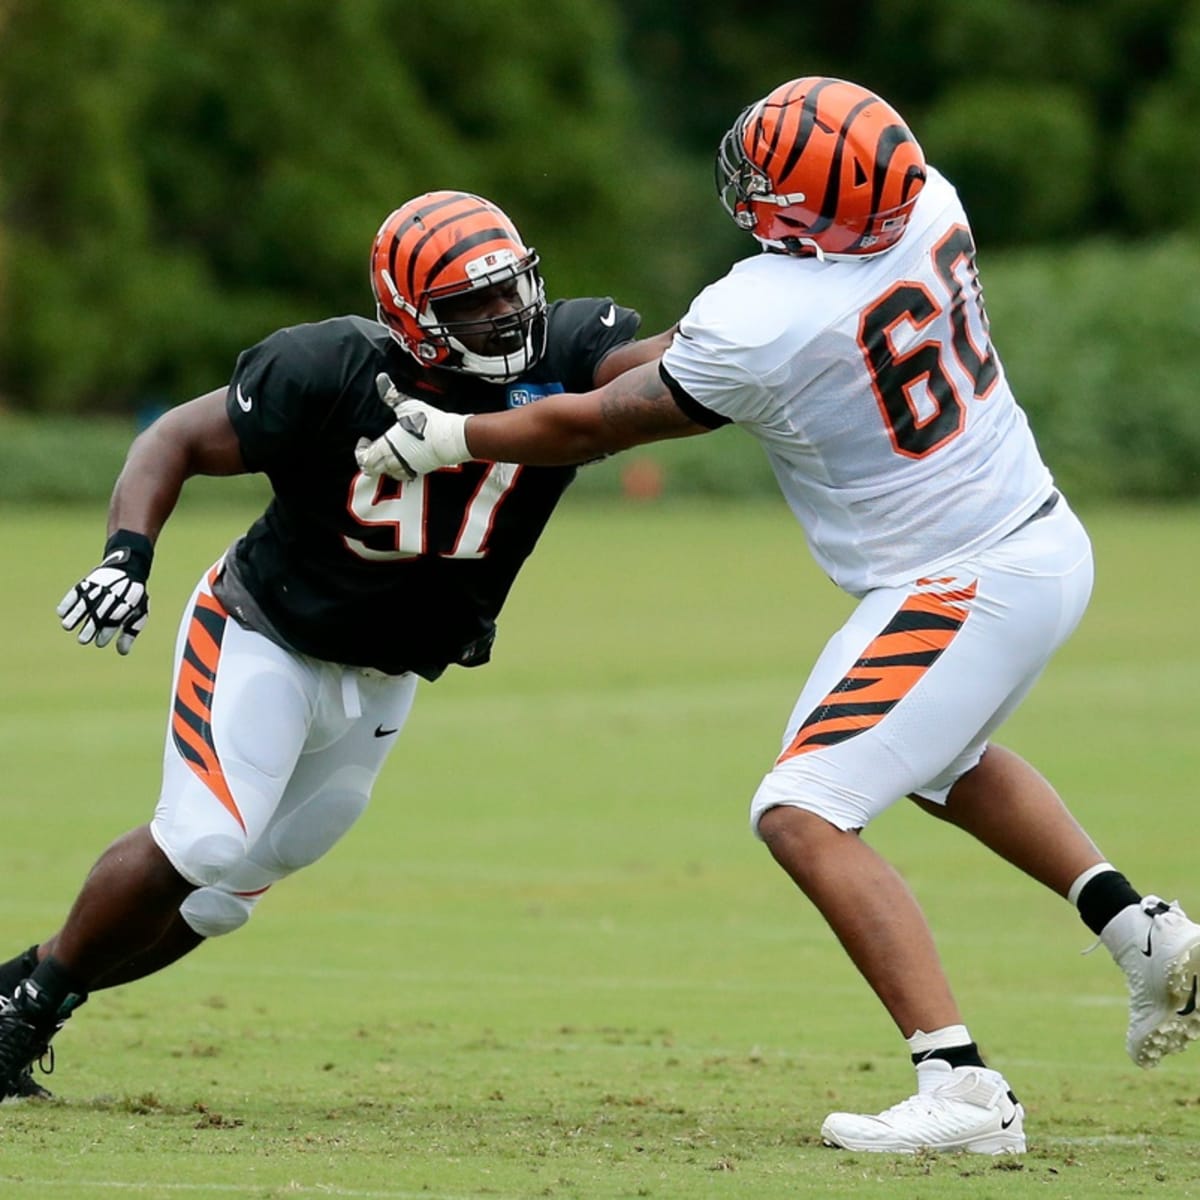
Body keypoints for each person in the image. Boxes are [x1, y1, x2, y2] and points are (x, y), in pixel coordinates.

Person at [350, 78, 1200, 1155]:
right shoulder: (931, 202)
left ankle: (963, 1088)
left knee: (801, 810)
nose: (749, 184)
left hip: (962, 579)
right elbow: (695, 351)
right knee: (941, 761)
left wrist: (454, 437)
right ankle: (1147, 935)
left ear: (808, 209)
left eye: (770, 176)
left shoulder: (764, 317)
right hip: (1035, 538)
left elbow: (605, 423)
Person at [0, 190, 676, 1102]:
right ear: (410, 317)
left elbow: (678, 367)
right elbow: (175, 438)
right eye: (470, 304)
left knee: (226, 895)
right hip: (264, 630)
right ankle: (21, 1023)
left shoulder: (570, 348)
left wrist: (766, 313)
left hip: (390, 670)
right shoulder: (326, 367)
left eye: (512, 289)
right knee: (203, 840)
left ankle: (24, 991)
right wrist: (128, 556)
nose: (506, 315)